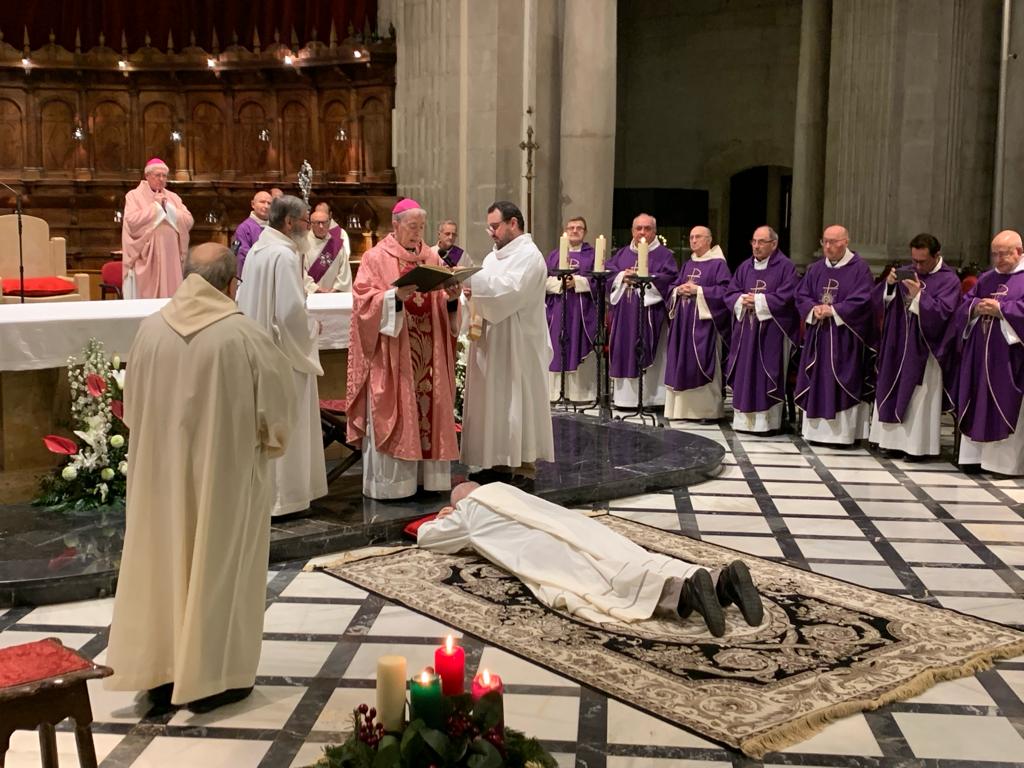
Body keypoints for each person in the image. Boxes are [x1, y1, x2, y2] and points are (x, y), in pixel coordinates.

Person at [106, 243, 294, 713]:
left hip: (158, 483)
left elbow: (132, 413)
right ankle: (215, 677)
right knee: (219, 569)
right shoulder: (244, 337)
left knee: (161, 565)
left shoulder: (149, 332)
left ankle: (160, 673)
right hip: (224, 484)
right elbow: (277, 420)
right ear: (232, 284)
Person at [418, 482, 764, 637]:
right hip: (576, 526)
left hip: (540, 546)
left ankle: (684, 594)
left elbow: (429, 539)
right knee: (629, 555)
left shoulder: (468, 511)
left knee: (595, 579)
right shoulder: (508, 491)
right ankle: (721, 581)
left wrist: (445, 515)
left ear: (463, 499)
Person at [346, 199, 462, 499]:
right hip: (395, 354)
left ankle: (428, 480)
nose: (417, 233)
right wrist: (393, 297)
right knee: (399, 408)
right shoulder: (375, 258)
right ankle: (394, 486)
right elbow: (362, 303)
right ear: (395, 225)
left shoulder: (431, 259)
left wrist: (451, 298)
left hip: (429, 353)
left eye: (421, 227)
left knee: (430, 408)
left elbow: (442, 307)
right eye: (412, 227)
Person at [237, 196, 328, 515]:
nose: (308, 226)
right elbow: (290, 314)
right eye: (305, 220)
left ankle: (269, 497)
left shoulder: (259, 250)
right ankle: (288, 500)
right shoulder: (284, 255)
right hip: (284, 356)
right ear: (288, 222)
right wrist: (313, 331)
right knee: (288, 424)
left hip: (259, 349)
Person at [461, 201, 554, 477]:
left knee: (517, 402)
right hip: (493, 342)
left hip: (519, 344)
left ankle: (524, 466)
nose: (490, 232)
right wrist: (469, 294)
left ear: (513, 223)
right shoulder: (492, 258)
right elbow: (485, 295)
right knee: (496, 403)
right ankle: (497, 461)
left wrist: (470, 282)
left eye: (495, 226)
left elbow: (510, 292)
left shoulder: (530, 256)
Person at [870, 233, 961, 458]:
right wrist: (889, 286)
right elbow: (881, 304)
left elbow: (944, 314)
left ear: (936, 256)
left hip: (926, 348)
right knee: (890, 383)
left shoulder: (949, 280)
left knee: (919, 395)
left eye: (922, 261)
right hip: (898, 341)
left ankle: (917, 448)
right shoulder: (907, 272)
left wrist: (919, 296)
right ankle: (890, 442)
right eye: (914, 260)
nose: (917, 266)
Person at [794, 225, 876, 446]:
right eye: (825, 242)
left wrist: (834, 310)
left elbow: (864, 299)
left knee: (842, 379)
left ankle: (844, 435)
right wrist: (813, 308)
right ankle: (815, 432)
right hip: (818, 334)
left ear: (846, 241)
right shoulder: (815, 269)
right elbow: (801, 294)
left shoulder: (860, 269)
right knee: (816, 376)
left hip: (844, 337)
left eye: (834, 242)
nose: (828, 247)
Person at [953, 230, 1024, 475]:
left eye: (1003, 254)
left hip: (1008, 358)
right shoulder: (986, 278)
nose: (998, 260)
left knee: (1004, 400)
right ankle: (974, 458)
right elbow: (965, 303)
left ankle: (1002, 465)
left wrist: (1002, 309)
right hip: (979, 353)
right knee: (976, 395)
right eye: (994, 254)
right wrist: (976, 307)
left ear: (1019, 252)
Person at [725, 226, 800, 434]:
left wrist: (757, 300)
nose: (756, 246)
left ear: (773, 244)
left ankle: (768, 423)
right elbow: (731, 292)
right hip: (746, 332)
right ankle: (743, 422)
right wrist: (742, 299)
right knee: (744, 372)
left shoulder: (786, 267)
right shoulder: (745, 267)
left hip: (772, 333)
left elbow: (788, 296)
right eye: (754, 242)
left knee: (767, 375)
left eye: (761, 242)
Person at [606, 213, 679, 408]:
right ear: (632, 231)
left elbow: (670, 279)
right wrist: (622, 276)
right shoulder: (622, 254)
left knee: (650, 349)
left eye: (647, 228)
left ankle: (652, 398)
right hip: (624, 314)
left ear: (655, 231)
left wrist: (644, 278)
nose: (642, 232)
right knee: (624, 348)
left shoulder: (664, 255)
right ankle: (625, 399)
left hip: (650, 313)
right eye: (638, 228)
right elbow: (608, 273)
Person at [664, 226, 732, 420]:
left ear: (709, 240)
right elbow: (673, 286)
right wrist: (679, 291)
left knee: (702, 363)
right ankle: (681, 410)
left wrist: (699, 291)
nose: (693, 241)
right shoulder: (688, 264)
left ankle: (706, 412)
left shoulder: (718, 264)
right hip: (683, 324)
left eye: (698, 237)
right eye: (692, 237)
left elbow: (725, 292)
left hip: (705, 326)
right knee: (680, 361)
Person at [121, 157, 194, 299]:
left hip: (170, 254)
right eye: (157, 175)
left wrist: (169, 209)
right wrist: (156, 208)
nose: (161, 179)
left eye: (164, 176)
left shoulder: (173, 197)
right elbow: (132, 221)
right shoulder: (133, 196)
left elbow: (188, 220)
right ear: (147, 176)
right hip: (147, 255)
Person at [545, 216, 598, 402]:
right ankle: (555, 393)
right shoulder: (554, 255)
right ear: (565, 231)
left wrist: (577, 282)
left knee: (577, 344)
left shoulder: (592, 255)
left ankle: (579, 394)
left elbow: (600, 281)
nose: (574, 231)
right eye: (571, 227)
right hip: (557, 309)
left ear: (585, 232)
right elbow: (541, 280)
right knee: (557, 346)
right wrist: (560, 283)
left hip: (580, 312)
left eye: (579, 228)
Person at [303, 206, 352, 294]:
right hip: (311, 295)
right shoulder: (303, 244)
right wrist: (315, 289)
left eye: (324, 223)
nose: (321, 226)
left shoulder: (338, 245)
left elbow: (345, 273)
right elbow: (300, 272)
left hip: (334, 296)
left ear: (329, 223)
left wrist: (334, 290)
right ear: (311, 224)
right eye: (317, 223)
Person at [232, 190, 272, 276]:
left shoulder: (274, 227)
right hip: (251, 275)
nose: (266, 206)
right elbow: (240, 254)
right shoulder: (243, 228)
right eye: (262, 202)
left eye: (269, 203)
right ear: (253, 204)